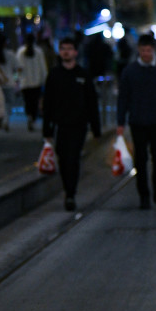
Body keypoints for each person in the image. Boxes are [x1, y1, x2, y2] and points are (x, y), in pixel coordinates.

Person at [116, 34, 156, 209]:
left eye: (149, 50)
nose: (146, 53)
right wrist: (120, 122)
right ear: (139, 50)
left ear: (153, 50)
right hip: (137, 121)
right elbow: (123, 98)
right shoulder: (130, 71)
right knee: (141, 159)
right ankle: (143, 195)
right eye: (143, 50)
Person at [41, 36, 101, 211]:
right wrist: (47, 129)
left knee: (73, 158)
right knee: (63, 158)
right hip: (61, 125)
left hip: (79, 125)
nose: (66, 52)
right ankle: (68, 188)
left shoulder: (83, 75)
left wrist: (96, 129)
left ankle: (70, 194)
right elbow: (48, 103)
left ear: (75, 52)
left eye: (69, 48)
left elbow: (92, 103)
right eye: (63, 48)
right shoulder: (54, 75)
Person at [15, 33, 49, 131]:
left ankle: (29, 116)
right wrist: (45, 79)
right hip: (36, 82)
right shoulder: (38, 52)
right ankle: (33, 119)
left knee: (27, 101)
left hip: (25, 82)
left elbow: (18, 67)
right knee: (34, 102)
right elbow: (43, 67)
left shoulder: (20, 52)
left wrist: (17, 79)